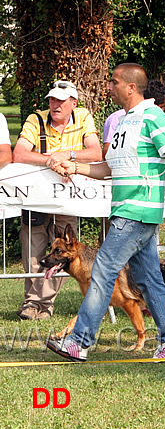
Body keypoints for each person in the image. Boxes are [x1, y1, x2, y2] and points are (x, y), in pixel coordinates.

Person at [46, 63, 165, 361]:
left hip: (136, 211)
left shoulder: (154, 118)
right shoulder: (123, 121)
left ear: (131, 88)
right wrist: (76, 166)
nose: (109, 86)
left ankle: (79, 342)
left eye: (114, 82)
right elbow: (110, 167)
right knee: (149, 280)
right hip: (129, 211)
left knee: (103, 271)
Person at [12, 80, 102, 320]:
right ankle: (32, 304)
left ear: (73, 103)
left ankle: (42, 306)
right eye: (52, 100)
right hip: (35, 198)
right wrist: (50, 160)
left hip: (67, 199)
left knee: (61, 252)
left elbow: (96, 152)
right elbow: (19, 153)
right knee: (32, 250)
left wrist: (68, 155)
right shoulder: (36, 119)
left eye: (61, 101)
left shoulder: (83, 117)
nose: (55, 105)